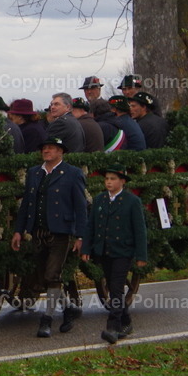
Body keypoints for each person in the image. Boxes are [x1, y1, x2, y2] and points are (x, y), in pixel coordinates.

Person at [11, 136, 89, 337]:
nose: (46, 151)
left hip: (60, 231)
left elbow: (81, 207)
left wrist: (81, 236)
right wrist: (19, 230)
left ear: (60, 152)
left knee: (52, 275)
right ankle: (69, 308)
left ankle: (47, 320)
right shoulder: (34, 172)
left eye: (51, 148)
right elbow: (27, 203)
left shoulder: (72, 173)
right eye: (44, 148)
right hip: (38, 231)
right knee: (44, 276)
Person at [81, 164, 148, 344]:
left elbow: (139, 230)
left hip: (123, 251)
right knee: (112, 286)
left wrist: (141, 255)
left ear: (122, 181)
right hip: (104, 250)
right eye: (107, 179)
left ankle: (113, 327)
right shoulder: (100, 200)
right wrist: (86, 249)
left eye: (113, 179)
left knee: (117, 288)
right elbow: (91, 226)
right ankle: (126, 322)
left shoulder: (132, 201)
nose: (108, 182)